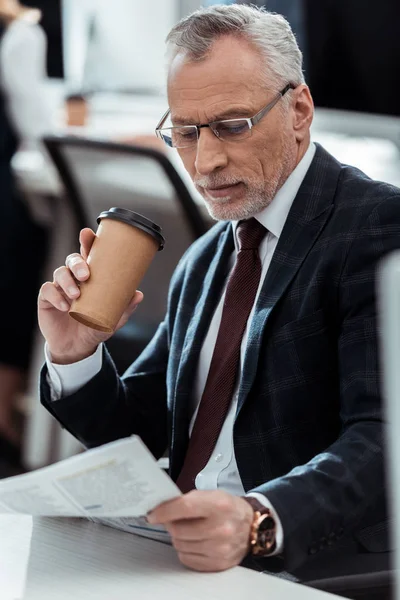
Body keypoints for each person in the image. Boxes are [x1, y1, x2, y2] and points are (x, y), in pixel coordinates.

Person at [38, 4, 399, 588]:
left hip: (304, 562)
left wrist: (258, 519)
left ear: (299, 110)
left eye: (232, 126)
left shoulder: (380, 228)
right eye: (184, 133)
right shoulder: (209, 257)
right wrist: (76, 356)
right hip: (179, 549)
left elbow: (386, 437)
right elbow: (144, 432)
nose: (204, 163)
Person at [0, 0, 49, 465]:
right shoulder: (20, 33)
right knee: (24, 269)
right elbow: (36, 129)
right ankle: (5, 416)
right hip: (4, 196)